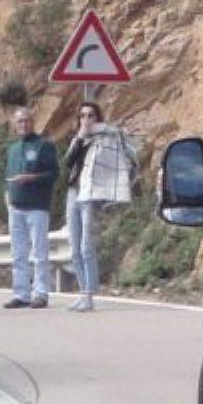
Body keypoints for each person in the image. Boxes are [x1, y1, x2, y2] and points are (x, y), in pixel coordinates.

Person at [62, 101, 136, 312]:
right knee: (74, 247)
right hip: (73, 193)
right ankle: (83, 291)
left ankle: (89, 295)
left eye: (91, 115)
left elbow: (115, 161)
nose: (86, 120)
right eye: (82, 115)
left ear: (98, 118)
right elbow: (68, 162)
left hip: (90, 196)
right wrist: (80, 138)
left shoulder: (105, 140)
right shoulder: (79, 139)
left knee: (86, 245)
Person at [3, 106, 58, 309]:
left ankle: (41, 293)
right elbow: (7, 176)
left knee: (39, 252)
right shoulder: (13, 150)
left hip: (37, 207)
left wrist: (31, 178)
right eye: (20, 122)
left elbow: (53, 174)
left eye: (27, 121)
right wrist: (7, 195)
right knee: (18, 253)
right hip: (15, 207)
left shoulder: (44, 146)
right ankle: (21, 293)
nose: (23, 125)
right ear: (15, 125)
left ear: (33, 122)